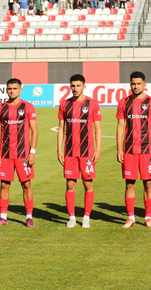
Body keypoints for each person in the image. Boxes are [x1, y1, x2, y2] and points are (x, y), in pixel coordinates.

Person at [116, 71, 151, 228]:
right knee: (129, 184)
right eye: (133, 84)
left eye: (138, 84)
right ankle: (130, 218)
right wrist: (119, 149)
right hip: (129, 149)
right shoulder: (124, 103)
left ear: (144, 85)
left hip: (147, 149)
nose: (135, 86)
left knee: (148, 183)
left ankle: (148, 217)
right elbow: (120, 126)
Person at [0, 79, 38, 228]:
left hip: (23, 154)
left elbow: (34, 130)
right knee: (4, 185)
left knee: (26, 185)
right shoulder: (0, 108)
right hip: (5, 154)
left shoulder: (27, 107)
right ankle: (3, 217)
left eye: (15, 88)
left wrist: (32, 152)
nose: (12, 91)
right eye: (9, 88)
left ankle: (29, 217)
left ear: (20, 89)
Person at [57, 74, 102, 228]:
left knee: (88, 184)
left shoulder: (92, 103)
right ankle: (71, 218)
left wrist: (98, 149)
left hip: (87, 152)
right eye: (73, 86)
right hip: (69, 152)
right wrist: (59, 149)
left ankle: (86, 217)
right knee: (70, 184)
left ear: (84, 86)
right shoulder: (64, 104)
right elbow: (61, 128)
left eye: (78, 85)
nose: (75, 88)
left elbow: (98, 127)